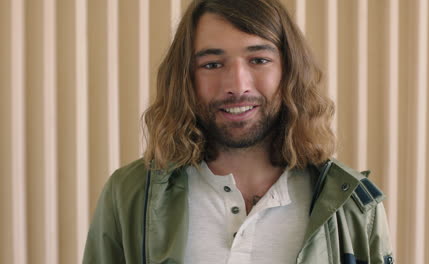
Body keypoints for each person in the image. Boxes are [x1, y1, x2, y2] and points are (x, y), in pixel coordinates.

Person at [83, 0, 394, 263]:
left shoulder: (354, 203)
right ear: (184, 79)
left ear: (289, 71)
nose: (237, 85)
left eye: (258, 60)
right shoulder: (130, 194)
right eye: (212, 64)